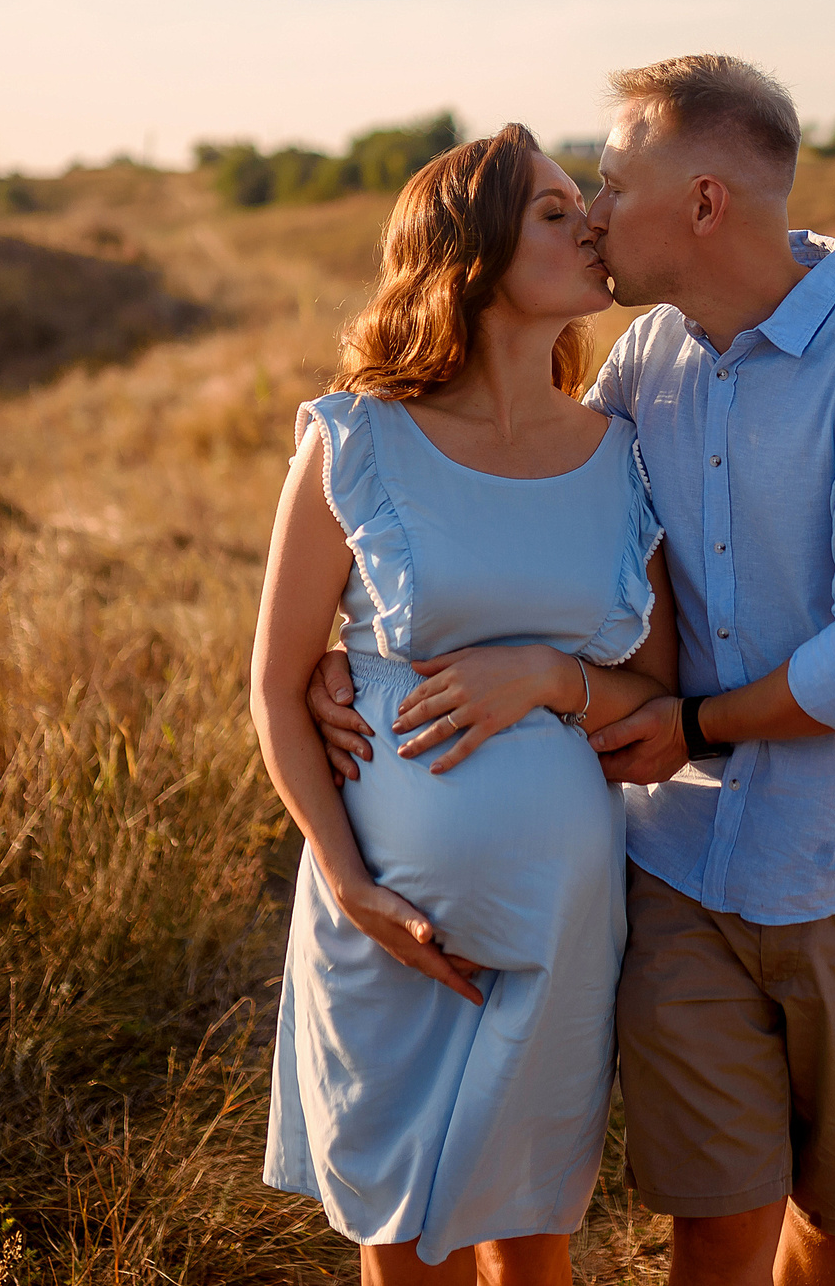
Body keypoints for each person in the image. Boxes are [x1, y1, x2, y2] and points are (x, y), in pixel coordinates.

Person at [314, 56, 835, 1286]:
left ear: (703, 203)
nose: (595, 213)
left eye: (613, 185)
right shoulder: (642, 369)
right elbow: (535, 547)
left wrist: (690, 721)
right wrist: (345, 660)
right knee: (716, 1221)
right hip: (679, 869)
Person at [250, 125, 681, 1285]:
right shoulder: (356, 439)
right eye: (554, 210)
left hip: (559, 920)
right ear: (473, 252)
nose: (590, 224)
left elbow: (657, 696)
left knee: (533, 1244)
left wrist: (548, 676)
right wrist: (350, 883)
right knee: (403, 1250)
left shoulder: (620, 454)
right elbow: (276, 685)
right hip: (388, 921)